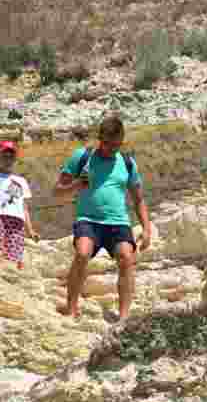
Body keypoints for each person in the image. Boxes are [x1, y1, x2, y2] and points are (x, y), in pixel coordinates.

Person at [53, 113, 151, 321]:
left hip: (118, 222)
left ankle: (124, 317)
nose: (110, 149)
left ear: (121, 142)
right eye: (106, 144)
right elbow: (57, 191)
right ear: (99, 139)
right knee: (82, 254)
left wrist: (146, 229)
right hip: (88, 220)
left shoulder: (127, 162)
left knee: (126, 259)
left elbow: (139, 199)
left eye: (115, 145)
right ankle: (71, 308)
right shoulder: (83, 156)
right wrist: (76, 185)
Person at [0, 140, 38, 270]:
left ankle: (14, 272)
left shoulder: (21, 181)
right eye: (4, 155)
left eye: (11, 156)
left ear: (15, 159)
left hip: (18, 220)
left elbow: (24, 207)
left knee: (15, 249)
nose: (8, 159)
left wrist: (30, 229)